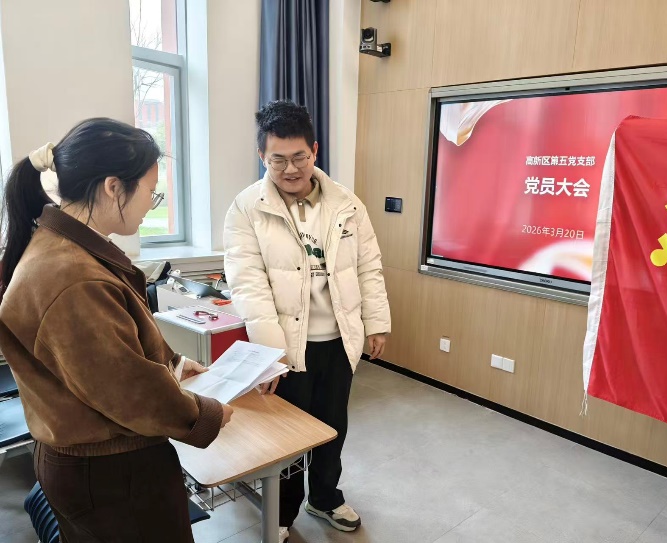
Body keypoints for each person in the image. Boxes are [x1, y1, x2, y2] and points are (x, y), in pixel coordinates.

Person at [0, 118, 233, 542]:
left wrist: (175, 364)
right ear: (113, 187)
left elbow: (107, 357)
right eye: (151, 192)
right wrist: (208, 414)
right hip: (111, 476)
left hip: (94, 465)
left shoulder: (64, 250)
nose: (151, 205)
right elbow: (130, 390)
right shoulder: (73, 277)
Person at [224, 100, 391, 542]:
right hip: (287, 347)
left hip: (339, 341)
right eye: (278, 159)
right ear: (262, 156)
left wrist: (376, 322)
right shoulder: (246, 208)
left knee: (332, 427)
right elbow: (249, 286)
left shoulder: (346, 203)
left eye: (299, 157)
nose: (291, 169)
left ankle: (325, 497)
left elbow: (368, 266)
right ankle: (281, 514)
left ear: (315, 150)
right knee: (287, 438)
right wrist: (270, 356)